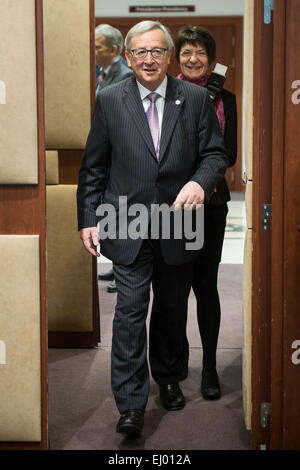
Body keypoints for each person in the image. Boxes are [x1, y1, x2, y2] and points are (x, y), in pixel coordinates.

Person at [77, 20, 228, 437]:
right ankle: (130, 403)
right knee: (129, 310)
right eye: (140, 52)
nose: (148, 59)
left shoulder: (195, 99)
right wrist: (89, 218)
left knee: (170, 307)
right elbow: (94, 167)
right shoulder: (109, 100)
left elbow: (216, 154)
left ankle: (168, 376)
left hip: (178, 221)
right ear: (128, 57)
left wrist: (200, 181)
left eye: (156, 51)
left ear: (168, 55)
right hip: (125, 219)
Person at [149, 25, 237, 402]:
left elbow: (227, 153)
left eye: (200, 52)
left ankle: (212, 366)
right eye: (186, 52)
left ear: (212, 58)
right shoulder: (165, 94)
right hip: (171, 206)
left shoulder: (225, 98)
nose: (193, 58)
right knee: (171, 288)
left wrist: (200, 182)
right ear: (176, 57)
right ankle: (174, 362)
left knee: (205, 286)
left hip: (212, 204)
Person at [95, 24, 133, 292]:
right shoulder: (104, 73)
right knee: (111, 214)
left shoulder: (124, 75)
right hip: (105, 152)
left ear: (113, 49)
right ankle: (117, 264)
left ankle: (124, 272)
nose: (93, 51)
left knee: (123, 215)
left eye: (97, 46)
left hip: (121, 155)